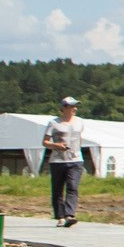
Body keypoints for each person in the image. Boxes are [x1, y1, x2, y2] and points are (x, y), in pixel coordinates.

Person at [42, 96, 86, 227]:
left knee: (73, 187)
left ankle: (69, 214)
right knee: (58, 189)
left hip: (76, 159)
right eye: (72, 106)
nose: (75, 109)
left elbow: (79, 138)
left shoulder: (80, 122)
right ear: (64, 108)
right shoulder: (54, 123)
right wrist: (56, 146)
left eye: (75, 106)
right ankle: (60, 216)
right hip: (58, 160)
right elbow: (44, 142)